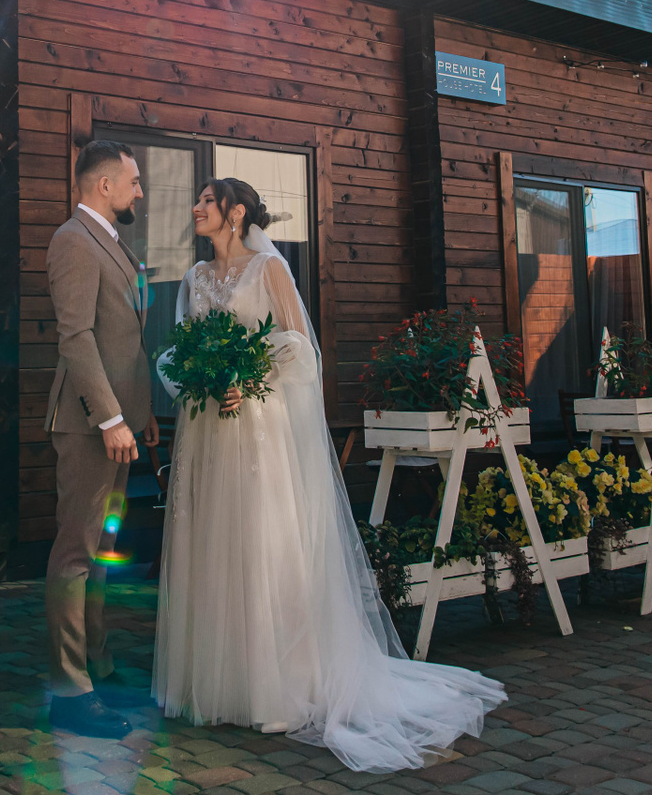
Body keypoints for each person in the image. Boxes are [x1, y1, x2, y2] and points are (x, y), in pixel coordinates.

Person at [155, 177, 506, 772]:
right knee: (212, 542)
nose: (196, 207)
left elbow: (298, 347)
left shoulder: (269, 270)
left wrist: (246, 374)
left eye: (207, 200)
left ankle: (277, 687)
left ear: (235, 213)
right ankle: (216, 682)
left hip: (256, 426)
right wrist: (206, 378)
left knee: (263, 544)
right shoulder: (194, 278)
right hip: (209, 429)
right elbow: (185, 347)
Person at [43, 139, 159, 739]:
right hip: (89, 425)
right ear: (104, 185)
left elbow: (123, 338)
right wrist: (111, 418)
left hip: (120, 423)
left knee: (101, 553)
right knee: (75, 553)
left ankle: (99, 665)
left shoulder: (111, 241)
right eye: (133, 181)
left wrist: (140, 413)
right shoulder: (73, 240)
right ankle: (70, 691)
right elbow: (77, 337)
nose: (140, 191)